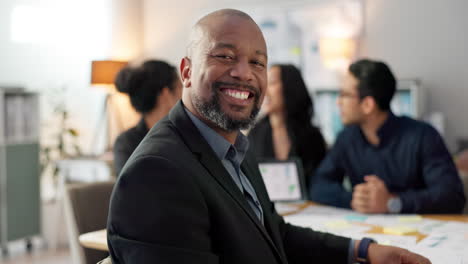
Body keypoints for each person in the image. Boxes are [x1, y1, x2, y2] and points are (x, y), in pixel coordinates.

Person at [107, 9, 431, 264]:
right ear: (187, 71)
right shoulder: (157, 172)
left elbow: (275, 236)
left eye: (257, 62)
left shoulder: (236, 148)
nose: (245, 73)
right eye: (225, 56)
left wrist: (363, 251)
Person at [311, 59, 466, 214]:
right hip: (368, 230)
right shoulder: (346, 138)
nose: (338, 102)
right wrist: (356, 200)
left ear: (367, 105)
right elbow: (319, 185)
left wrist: (393, 203)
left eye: (344, 95)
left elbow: (452, 196)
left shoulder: (423, 136)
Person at [248, 64, 326, 191]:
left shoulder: (312, 137)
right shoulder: (255, 134)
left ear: (290, 87)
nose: (264, 91)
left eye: (272, 83)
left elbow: (320, 184)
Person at [113, 60, 182, 176]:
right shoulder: (127, 143)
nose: (184, 95)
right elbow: (131, 190)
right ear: (166, 95)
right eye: (181, 87)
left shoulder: (186, 135)